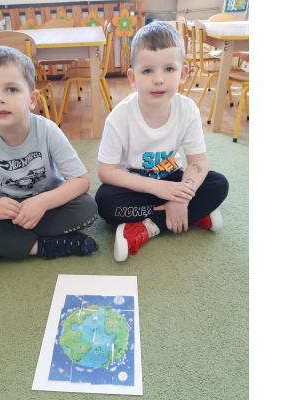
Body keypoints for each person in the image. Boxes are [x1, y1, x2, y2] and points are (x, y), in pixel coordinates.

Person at [0, 46, 99, 269]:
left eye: (11, 89)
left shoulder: (47, 130)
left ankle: (2, 245)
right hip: (6, 210)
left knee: (87, 207)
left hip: (47, 205)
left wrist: (42, 202)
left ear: (32, 99)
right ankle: (47, 246)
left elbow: (81, 181)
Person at [95, 21, 229, 262]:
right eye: (147, 71)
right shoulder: (120, 117)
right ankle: (194, 214)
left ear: (183, 74)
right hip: (136, 186)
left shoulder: (187, 109)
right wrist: (158, 189)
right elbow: (106, 172)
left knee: (218, 184)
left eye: (169, 69)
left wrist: (181, 198)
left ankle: (149, 226)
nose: (158, 79)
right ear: (133, 77)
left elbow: (198, 162)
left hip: (173, 180)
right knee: (104, 202)